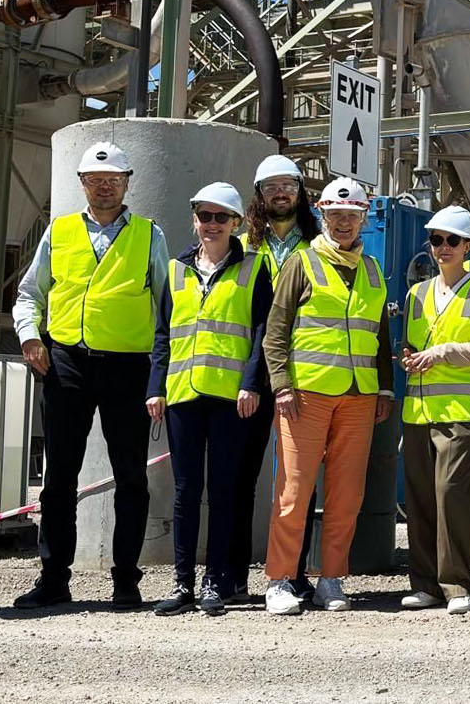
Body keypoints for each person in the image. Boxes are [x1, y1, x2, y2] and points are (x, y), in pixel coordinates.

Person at [12, 142, 172, 610]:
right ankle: (53, 579)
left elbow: (167, 306)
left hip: (128, 366)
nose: (105, 187)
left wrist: (161, 371)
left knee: (131, 478)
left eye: (114, 180)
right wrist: (29, 336)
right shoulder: (58, 232)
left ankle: (126, 581)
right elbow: (29, 293)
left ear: (127, 184)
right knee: (59, 476)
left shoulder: (149, 235)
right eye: (96, 180)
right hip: (67, 363)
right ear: (82, 183)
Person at [261, 178, 394, 615]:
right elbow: (275, 333)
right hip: (305, 395)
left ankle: (331, 579)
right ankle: (280, 579)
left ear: (363, 219)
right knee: (293, 490)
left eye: (352, 216)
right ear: (322, 215)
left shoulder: (374, 271)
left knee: (346, 494)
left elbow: (381, 338)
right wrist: (281, 385)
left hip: (359, 398)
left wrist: (386, 387)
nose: (343, 223)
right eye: (336, 215)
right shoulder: (302, 263)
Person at [146, 182, 273, 617]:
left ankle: (215, 582)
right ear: (194, 220)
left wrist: (252, 383)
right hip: (182, 395)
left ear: (236, 223)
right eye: (204, 216)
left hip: (230, 397)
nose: (211, 224)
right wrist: (155, 387)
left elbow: (261, 333)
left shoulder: (255, 269)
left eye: (221, 217)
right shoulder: (176, 270)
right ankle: (182, 583)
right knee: (184, 492)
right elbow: (163, 335)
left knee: (223, 492)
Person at [399, 205, 470, 615]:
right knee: (421, 498)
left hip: (463, 411)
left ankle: (459, 584)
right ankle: (424, 584)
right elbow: (411, 347)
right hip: (419, 412)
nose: (443, 248)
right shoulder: (416, 294)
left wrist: (443, 352)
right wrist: (412, 360)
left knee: (451, 496)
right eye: (437, 240)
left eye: (452, 241)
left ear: (468, 247)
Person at [230, 154, 320, 603]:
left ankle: (294, 573)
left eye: (288, 185)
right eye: (271, 187)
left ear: (300, 192)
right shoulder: (244, 246)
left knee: (297, 481)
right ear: (259, 196)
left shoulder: (319, 244)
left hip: (300, 374)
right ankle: (233, 577)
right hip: (250, 374)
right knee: (240, 476)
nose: (280, 193)